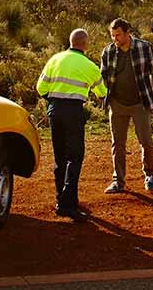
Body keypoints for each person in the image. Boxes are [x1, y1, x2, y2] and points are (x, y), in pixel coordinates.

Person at [36, 29, 107, 222]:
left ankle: (61, 200)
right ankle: (69, 204)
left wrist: (52, 101)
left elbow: (40, 88)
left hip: (54, 110)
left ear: (70, 41)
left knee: (59, 157)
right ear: (85, 44)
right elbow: (102, 92)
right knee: (74, 157)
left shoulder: (55, 59)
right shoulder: (89, 65)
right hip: (74, 112)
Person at [100, 18, 153, 194]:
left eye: (118, 35)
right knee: (117, 144)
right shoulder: (108, 52)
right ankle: (118, 181)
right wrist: (104, 98)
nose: (115, 39)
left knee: (146, 141)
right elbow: (102, 78)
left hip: (140, 102)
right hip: (117, 103)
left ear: (128, 33)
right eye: (112, 35)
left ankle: (149, 175)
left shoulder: (145, 47)